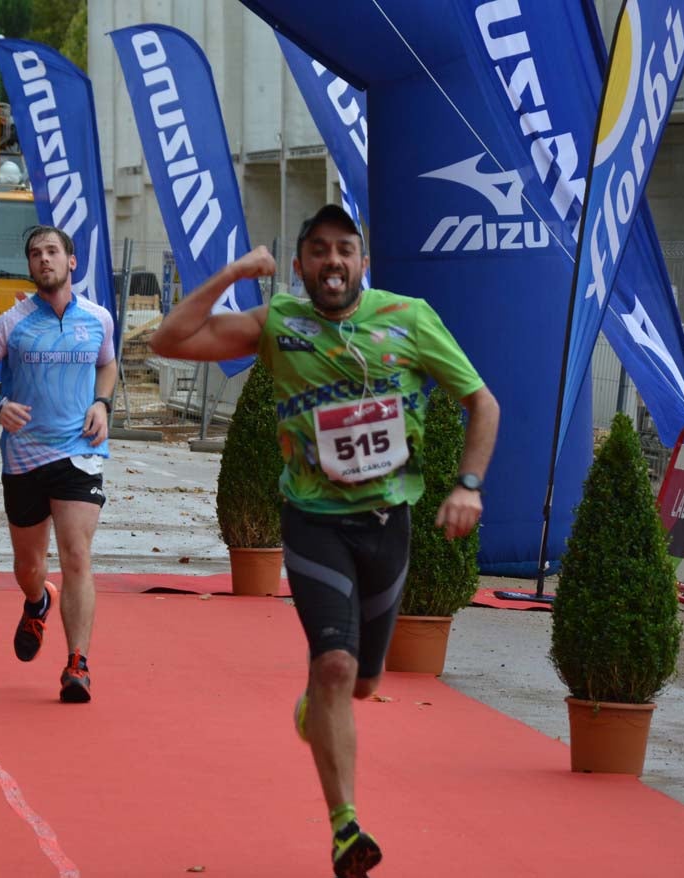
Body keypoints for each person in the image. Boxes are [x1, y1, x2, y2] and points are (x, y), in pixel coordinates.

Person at [149, 205, 500, 878]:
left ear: (363, 262)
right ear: (302, 262)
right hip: (312, 518)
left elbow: (482, 402)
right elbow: (170, 339)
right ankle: (345, 829)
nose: (331, 262)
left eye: (344, 250)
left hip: (388, 520)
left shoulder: (410, 318)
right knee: (336, 665)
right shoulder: (279, 322)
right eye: (317, 250)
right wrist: (237, 271)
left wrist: (470, 484)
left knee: (363, 682)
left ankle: (320, 705)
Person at [0, 225, 117, 704]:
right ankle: (36, 600)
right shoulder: (11, 323)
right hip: (25, 456)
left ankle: (78, 665)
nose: (43, 259)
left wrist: (102, 404)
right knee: (29, 567)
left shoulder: (98, 318)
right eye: (35, 253)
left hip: (79, 451)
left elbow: (108, 364)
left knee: (77, 556)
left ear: (71, 261)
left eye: (52, 251)